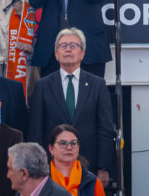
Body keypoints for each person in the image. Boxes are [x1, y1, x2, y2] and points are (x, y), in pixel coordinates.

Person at [26, 29, 116, 187]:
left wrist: (104, 168)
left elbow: (105, 129)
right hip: (51, 170)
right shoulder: (42, 86)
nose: (68, 49)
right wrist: (37, 169)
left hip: (89, 168)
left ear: (82, 53)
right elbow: (35, 132)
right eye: (63, 45)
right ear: (56, 54)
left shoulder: (97, 85)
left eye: (73, 45)